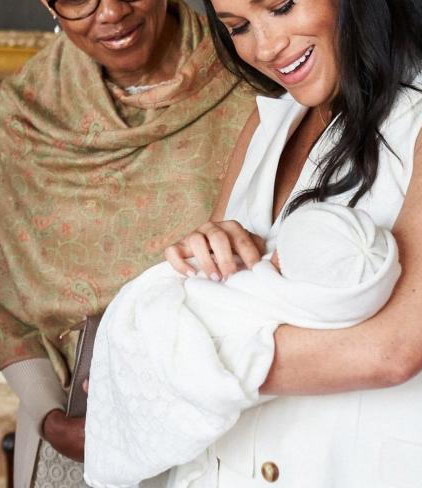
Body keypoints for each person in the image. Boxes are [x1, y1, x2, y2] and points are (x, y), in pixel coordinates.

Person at [0, 0, 255, 488]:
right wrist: (48, 420)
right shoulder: (29, 111)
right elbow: (3, 296)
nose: (109, 15)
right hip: (79, 436)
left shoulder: (249, 76)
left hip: (231, 425)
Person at [148, 0, 422, 486]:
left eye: (281, 6)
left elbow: (395, 350)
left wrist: (174, 353)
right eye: (237, 28)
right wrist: (203, 258)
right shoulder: (268, 122)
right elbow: (218, 289)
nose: (265, 46)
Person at [85, 201, 399, 486]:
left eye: (279, 255)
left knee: (153, 342)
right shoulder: (339, 303)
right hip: (175, 309)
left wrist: (144, 369)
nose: (272, 257)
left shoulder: (270, 317)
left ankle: (112, 403)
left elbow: (214, 378)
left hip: (182, 329)